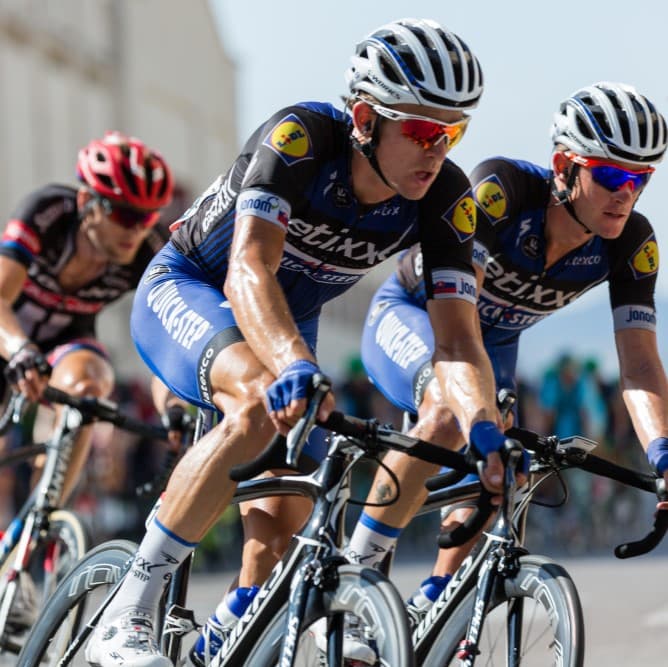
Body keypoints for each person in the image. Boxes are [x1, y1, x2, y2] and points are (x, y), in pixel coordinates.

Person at [84, 18, 512, 667]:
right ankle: (128, 608)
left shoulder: (446, 195)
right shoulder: (302, 138)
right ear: (366, 117)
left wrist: (484, 429)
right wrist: (293, 364)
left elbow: (457, 340)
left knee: (283, 527)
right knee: (257, 403)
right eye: (424, 131)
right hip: (196, 287)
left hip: (285, 322)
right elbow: (248, 267)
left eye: (454, 132)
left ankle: (214, 646)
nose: (439, 149)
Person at [347, 81, 668, 630]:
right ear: (565, 166)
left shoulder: (633, 242)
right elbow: (456, 325)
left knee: (501, 486)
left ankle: (430, 607)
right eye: (612, 175)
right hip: (420, 317)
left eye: (641, 178)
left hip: (492, 346)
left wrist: (662, 456)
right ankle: (356, 576)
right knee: (453, 413)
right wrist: (484, 406)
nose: (627, 193)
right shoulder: (503, 191)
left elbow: (639, 368)